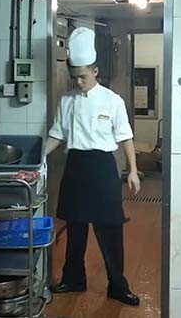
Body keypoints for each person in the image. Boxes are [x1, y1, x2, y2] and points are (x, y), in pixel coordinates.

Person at [45, 27, 141, 306]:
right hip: (76, 166)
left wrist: (133, 171)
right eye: (74, 77)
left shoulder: (112, 100)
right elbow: (57, 135)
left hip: (102, 168)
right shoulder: (67, 101)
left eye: (83, 77)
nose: (79, 82)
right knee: (75, 227)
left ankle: (118, 285)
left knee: (110, 228)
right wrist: (38, 159)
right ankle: (74, 279)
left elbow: (125, 137)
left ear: (95, 71)